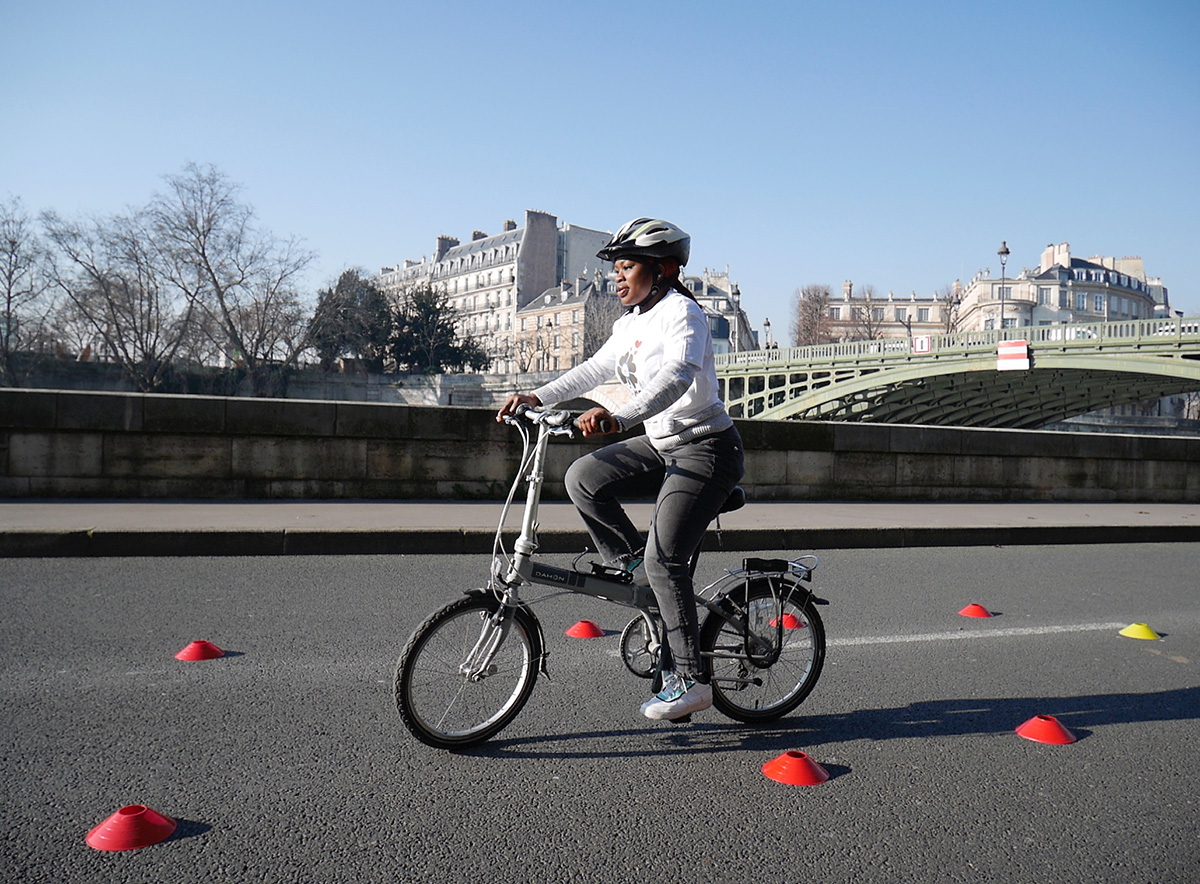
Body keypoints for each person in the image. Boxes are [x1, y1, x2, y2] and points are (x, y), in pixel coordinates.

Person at [497, 218, 744, 721]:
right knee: (582, 478)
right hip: (662, 444)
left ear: (664, 269)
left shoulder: (684, 316)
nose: (617, 276)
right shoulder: (629, 323)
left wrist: (620, 415)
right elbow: (594, 369)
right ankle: (638, 570)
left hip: (706, 448)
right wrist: (537, 396)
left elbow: (676, 378)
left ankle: (692, 680)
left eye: (627, 266)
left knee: (666, 561)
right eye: (616, 267)